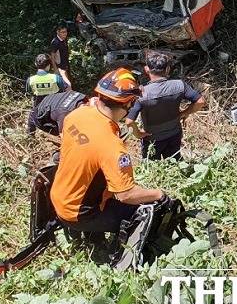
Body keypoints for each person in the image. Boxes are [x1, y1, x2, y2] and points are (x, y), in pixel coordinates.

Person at [50, 68, 165, 234]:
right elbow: (126, 194)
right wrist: (158, 194)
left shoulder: (76, 115)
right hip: (81, 213)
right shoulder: (112, 146)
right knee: (147, 213)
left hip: (59, 196)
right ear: (129, 103)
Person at [125, 51, 205, 160]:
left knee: (152, 169)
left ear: (146, 69)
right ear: (167, 69)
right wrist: (184, 113)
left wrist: (138, 134)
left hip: (152, 139)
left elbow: (129, 121)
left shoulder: (142, 94)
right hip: (174, 134)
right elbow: (200, 101)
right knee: (174, 162)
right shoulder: (180, 85)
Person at [27, 54, 67, 134]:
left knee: (32, 114)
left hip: (39, 108)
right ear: (49, 65)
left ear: (36, 64)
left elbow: (29, 92)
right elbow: (64, 88)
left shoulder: (30, 80)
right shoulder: (56, 78)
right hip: (55, 108)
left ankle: (30, 133)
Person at [49, 23, 72, 90]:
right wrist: (55, 69)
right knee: (67, 84)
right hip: (60, 67)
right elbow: (52, 56)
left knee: (69, 81)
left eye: (66, 32)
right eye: (63, 32)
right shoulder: (55, 42)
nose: (65, 34)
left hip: (65, 63)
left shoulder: (64, 39)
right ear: (58, 32)